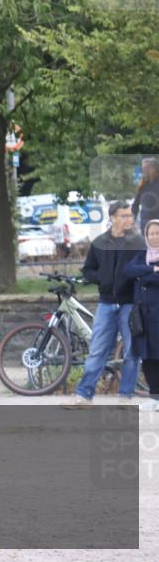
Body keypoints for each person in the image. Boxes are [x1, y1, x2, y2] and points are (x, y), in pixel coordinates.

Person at [65, 201, 146, 407]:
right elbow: (88, 270)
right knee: (97, 350)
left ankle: (126, 396)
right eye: (124, 215)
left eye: (130, 215)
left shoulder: (137, 242)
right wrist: (103, 277)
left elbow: (143, 268)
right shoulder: (100, 242)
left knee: (131, 351)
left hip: (129, 304)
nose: (129, 219)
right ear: (112, 218)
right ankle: (84, 395)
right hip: (106, 303)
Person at [125, 219, 159, 411]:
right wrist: (152, 269)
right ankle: (155, 397)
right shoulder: (142, 255)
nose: (154, 236)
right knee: (147, 356)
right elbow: (128, 271)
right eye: (151, 233)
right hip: (143, 316)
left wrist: (143, 276)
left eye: (157, 233)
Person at [133, 158, 159, 234]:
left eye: (146, 168)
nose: (144, 171)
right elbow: (135, 205)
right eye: (143, 168)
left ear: (154, 168)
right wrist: (131, 219)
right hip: (145, 225)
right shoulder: (142, 185)